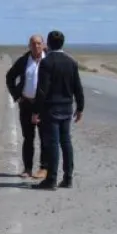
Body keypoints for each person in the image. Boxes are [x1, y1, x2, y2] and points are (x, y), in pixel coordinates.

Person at [31, 30, 85, 190]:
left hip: (51, 108)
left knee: (53, 144)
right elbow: (78, 87)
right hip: (67, 108)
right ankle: (68, 178)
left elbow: (42, 90)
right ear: (63, 43)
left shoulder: (46, 63)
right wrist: (80, 107)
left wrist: (36, 111)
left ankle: (51, 180)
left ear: (48, 43)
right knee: (66, 142)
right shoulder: (71, 62)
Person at [5, 34, 47, 179]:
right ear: (29, 45)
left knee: (45, 137)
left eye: (38, 43)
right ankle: (27, 168)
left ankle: (44, 168)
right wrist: (17, 96)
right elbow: (10, 76)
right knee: (28, 138)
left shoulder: (49, 60)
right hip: (26, 104)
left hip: (44, 106)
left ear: (44, 45)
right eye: (33, 43)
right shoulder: (24, 61)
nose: (36, 46)